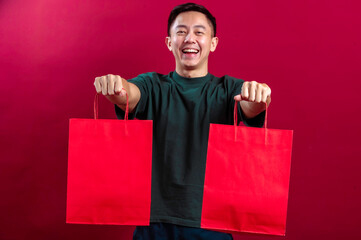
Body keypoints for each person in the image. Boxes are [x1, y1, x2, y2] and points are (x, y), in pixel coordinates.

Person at [94, 2, 271, 240]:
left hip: (212, 226)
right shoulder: (152, 85)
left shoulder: (229, 88)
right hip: (153, 224)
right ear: (169, 42)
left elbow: (251, 106)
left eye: (199, 32)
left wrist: (260, 95)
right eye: (181, 31)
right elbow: (129, 93)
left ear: (213, 42)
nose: (190, 38)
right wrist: (115, 86)